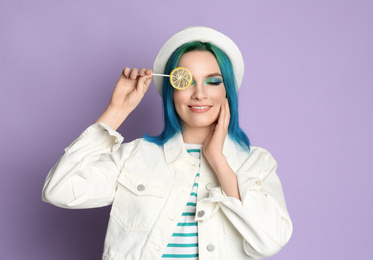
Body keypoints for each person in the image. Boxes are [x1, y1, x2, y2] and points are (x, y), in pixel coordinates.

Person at [42, 26, 293, 260]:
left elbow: (270, 241)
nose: (200, 93)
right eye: (186, 80)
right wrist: (117, 111)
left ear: (226, 90)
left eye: (213, 81)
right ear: (172, 90)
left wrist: (218, 159)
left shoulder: (257, 162)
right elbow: (59, 190)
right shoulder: (136, 156)